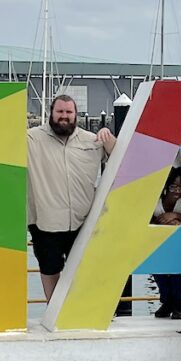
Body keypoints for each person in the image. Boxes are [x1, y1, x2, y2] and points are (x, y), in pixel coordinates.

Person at [27, 93, 116, 300]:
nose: (64, 116)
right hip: (45, 220)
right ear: (51, 113)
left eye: (68, 112)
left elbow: (120, 156)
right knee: (49, 269)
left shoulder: (92, 140)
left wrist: (108, 136)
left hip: (83, 221)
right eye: (60, 112)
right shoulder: (31, 138)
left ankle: (85, 312)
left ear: (76, 115)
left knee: (87, 269)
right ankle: (53, 312)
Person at [151, 165, 181, 319]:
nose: (177, 191)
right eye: (174, 187)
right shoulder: (155, 195)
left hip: (174, 238)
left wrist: (172, 215)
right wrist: (163, 223)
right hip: (154, 238)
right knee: (158, 271)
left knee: (175, 271)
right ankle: (168, 302)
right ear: (166, 184)